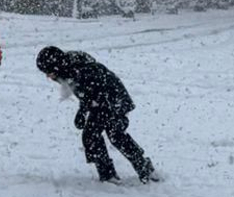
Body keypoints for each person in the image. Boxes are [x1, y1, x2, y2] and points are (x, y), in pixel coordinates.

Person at [35, 44, 156, 184]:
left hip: (112, 100)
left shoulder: (78, 70)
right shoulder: (69, 67)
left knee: (106, 135)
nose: (48, 76)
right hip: (105, 100)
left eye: (48, 72)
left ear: (56, 66)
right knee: (102, 135)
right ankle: (133, 169)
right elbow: (86, 93)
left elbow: (94, 91)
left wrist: (85, 110)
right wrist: (82, 110)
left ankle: (118, 173)